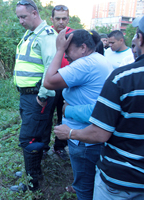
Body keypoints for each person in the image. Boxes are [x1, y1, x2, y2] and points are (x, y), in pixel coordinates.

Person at [54, 16, 144, 200]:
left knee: (85, 187)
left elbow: (100, 130)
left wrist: (69, 130)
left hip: (121, 178)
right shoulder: (108, 66)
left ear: (140, 39)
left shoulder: (123, 78)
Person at [43, 29, 113, 199]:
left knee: (84, 188)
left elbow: (49, 81)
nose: (66, 56)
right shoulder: (99, 60)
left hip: (84, 141)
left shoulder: (86, 64)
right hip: (92, 136)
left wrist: (59, 49)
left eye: (68, 50)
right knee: (92, 181)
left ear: (83, 48)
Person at [10, 0, 57, 192]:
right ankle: (33, 170)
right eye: (18, 17)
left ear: (35, 13)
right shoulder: (30, 34)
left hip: (37, 96)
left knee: (28, 139)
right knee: (35, 134)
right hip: (27, 96)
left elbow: (50, 66)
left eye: (24, 16)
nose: (21, 21)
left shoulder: (46, 36)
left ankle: (31, 183)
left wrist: (43, 95)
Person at [42, 5, 74, 161]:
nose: (61, 22)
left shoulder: (73, 35)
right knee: (45, 116)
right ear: (52, 19)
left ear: (68, 19)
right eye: (58, 18)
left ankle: (60, 147)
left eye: (64, 18)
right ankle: (43, 146)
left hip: (67, 84)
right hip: (48, 82)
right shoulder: (45, 34)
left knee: (64, 116)